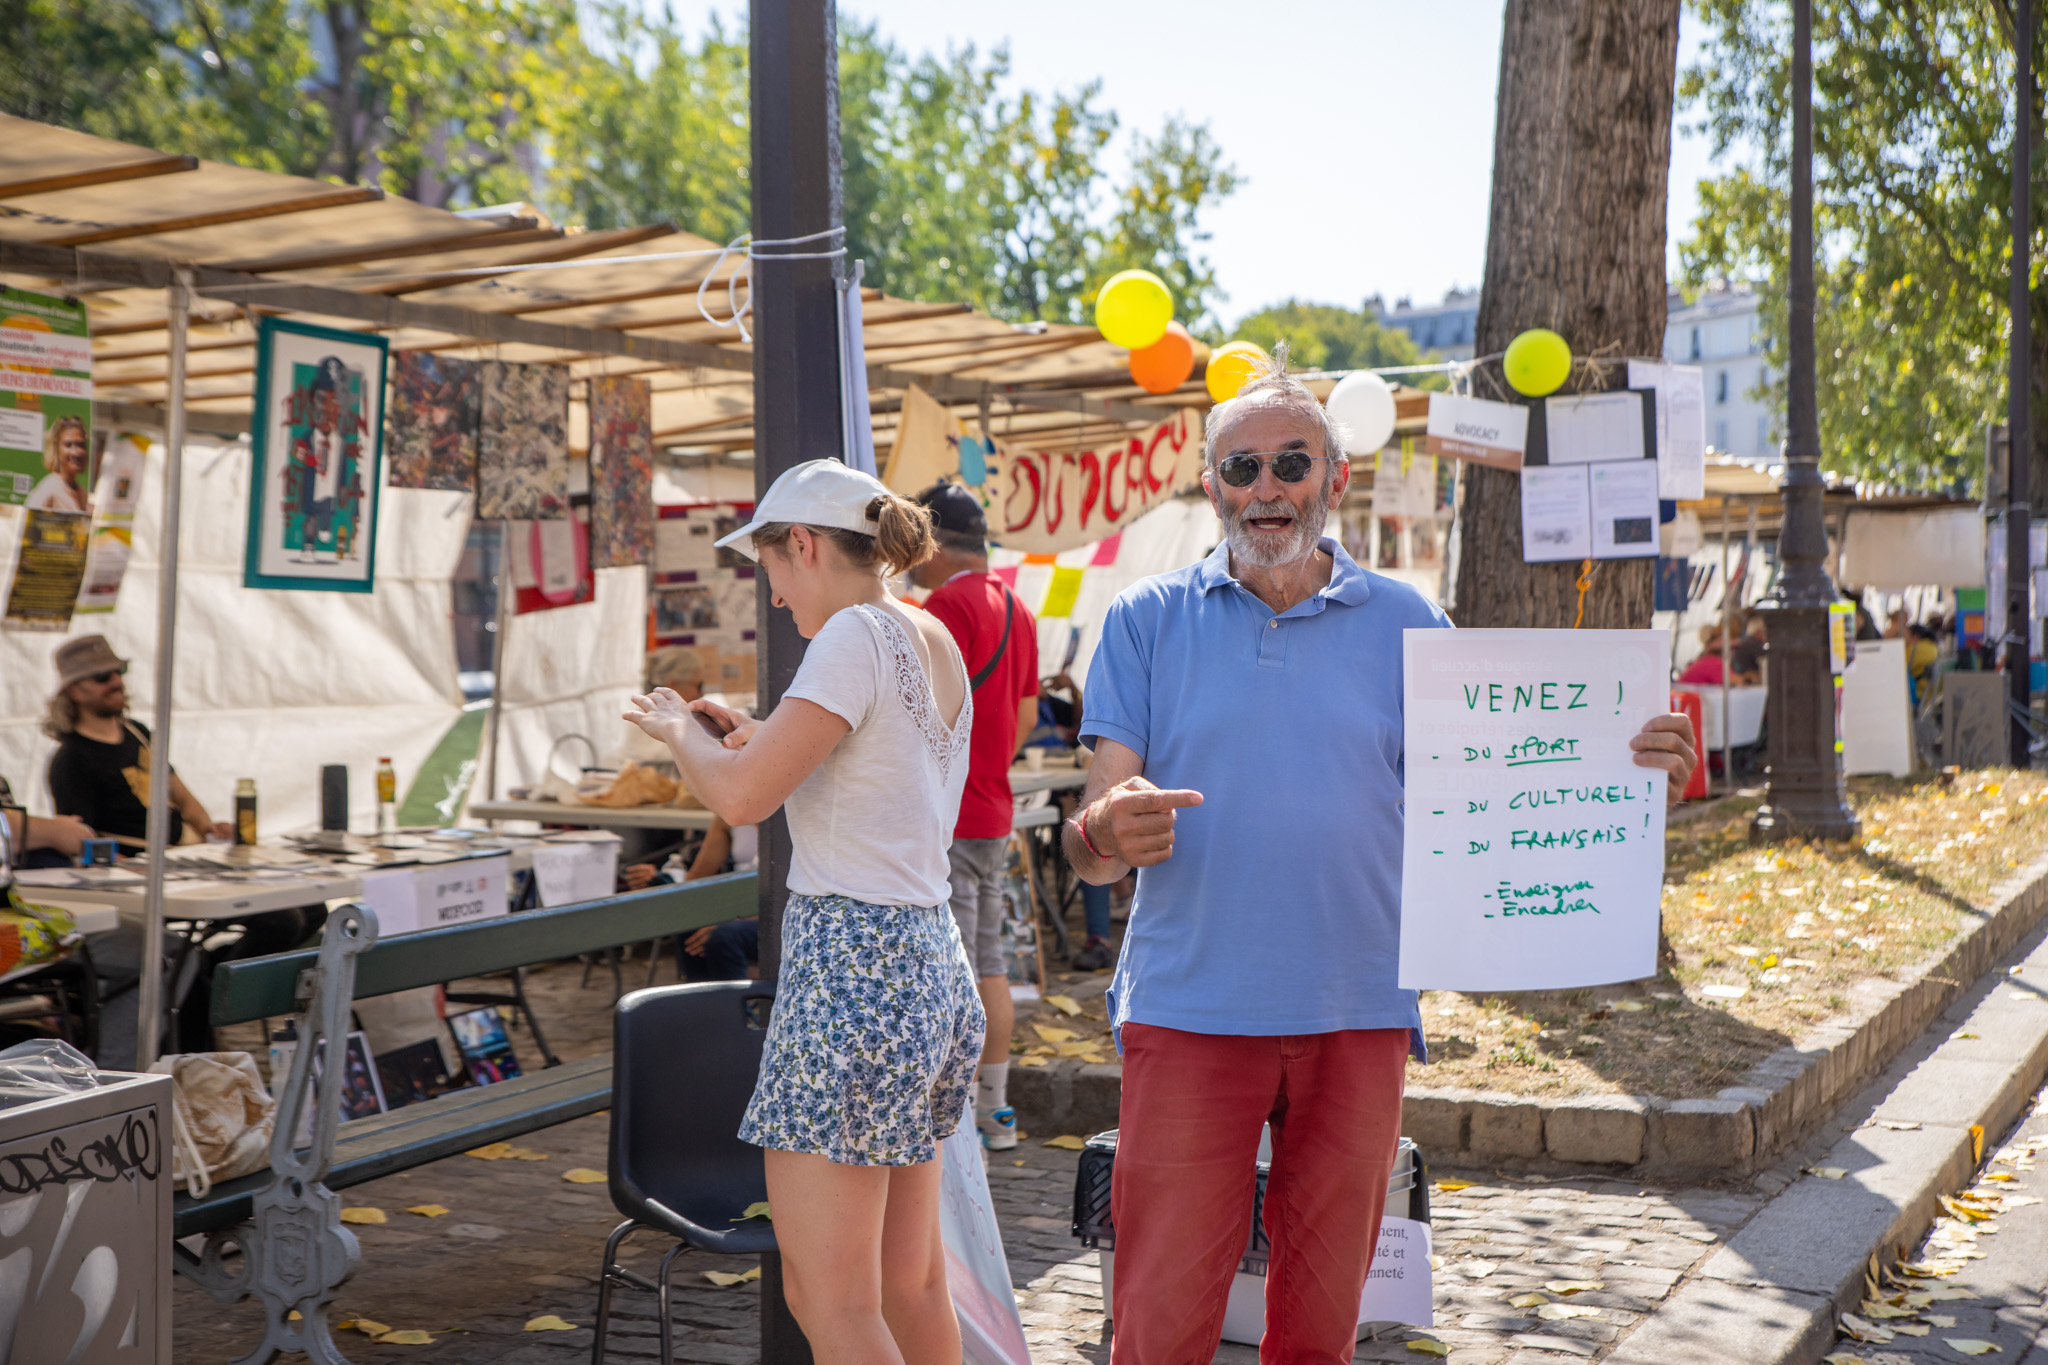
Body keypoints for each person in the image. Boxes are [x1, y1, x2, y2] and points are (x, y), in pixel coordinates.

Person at [1062, 346, 1699, 1363]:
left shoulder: (1408, 622)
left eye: (1289, 463)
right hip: (1188, 1014)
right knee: (1156, 1323)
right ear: (1209, 483)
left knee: (1321, 1328)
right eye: (1241, 468)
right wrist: (1105, 830)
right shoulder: (1144, 620)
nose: (1265, 489)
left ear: (1334, 476)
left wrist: (1629, 768)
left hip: (1357, 1010)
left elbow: (1498, 783)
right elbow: (1093, 837)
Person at [623, 458, 981, 1362]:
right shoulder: (924, 631)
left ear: (807, 544)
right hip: (926, 962)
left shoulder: (852, 636)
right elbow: (862, 771)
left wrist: (676, 733)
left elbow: (741, 800)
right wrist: (755, 735)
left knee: (833, 1302)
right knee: (912, 1284)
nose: (775, 593)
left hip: (852, 970)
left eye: (772, 566)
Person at [43, 635, 322, 1051]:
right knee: (280, 921)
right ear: (73, 691)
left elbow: (181, 794)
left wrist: (211, 829)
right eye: (102, 677)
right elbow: (81, 839)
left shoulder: (138, 732)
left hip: (183, 860)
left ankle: (204, 978)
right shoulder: (71, 760)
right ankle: (202, 988)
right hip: (136, 873)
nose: (115, 682)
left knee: (309, 908)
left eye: (118, 672)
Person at [909, 481, 1039, 1150]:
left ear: (931, 542)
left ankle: (951, 1121)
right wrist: (986, 763)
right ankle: (996, 1109)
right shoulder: (1017, 606)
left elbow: (924, 709)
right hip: (994, 810)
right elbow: (1023, 715)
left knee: (949, 968)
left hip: (952, 817)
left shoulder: (944, 606)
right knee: (990, 962)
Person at [25, 416, 90, 513]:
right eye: (68, 445)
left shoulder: (82, 494)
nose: (76, 452)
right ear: (56, 449)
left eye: (80, 445)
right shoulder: (48, 491)